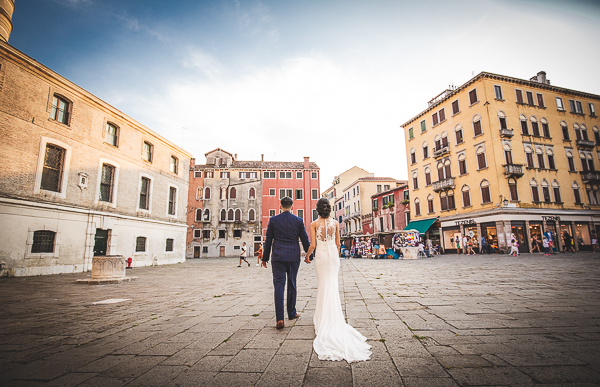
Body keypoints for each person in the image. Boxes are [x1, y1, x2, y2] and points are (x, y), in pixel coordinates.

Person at [304, 198, 371, 363]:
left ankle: (322, 320)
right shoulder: (335, 223)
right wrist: (336, 253)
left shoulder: (313, 224)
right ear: (330, 209)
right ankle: (334, 319)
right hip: (333, 255)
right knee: (332, 286)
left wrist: (306, 256)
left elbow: (313, 245)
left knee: (323, 286)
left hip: (321, 256)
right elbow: (338, 243)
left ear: (318, 209)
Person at [261, 197, 310, 329]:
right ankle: (292, 312)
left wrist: (264, 258)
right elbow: (305, 238)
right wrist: (310, 254)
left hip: (278, 256)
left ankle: (280, 319)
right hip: (293, 256)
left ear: (280, 206)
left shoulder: (273, 220)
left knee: (279, 285)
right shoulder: (298, 221)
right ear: (292, 207)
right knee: (292, 283)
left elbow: (268, 240)